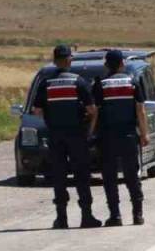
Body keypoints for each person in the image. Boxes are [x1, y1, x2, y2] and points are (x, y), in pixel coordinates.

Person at [31, 44, 102, 229]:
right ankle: (87, 217)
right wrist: (88, 127)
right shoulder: (78, 82)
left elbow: (37, 111)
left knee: (59, 176)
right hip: (76, 135)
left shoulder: (45, 83)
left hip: (55, 135)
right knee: (82, 176)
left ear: (54, 60)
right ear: (69, 59)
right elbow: (92, 109)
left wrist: (51, 114)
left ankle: (61, 218)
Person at [93, 50, 150, 226]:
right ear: (122, 64)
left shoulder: (100, 85)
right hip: (128, 136)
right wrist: (144, 134)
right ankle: (138, 214)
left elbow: (95, 112)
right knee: (132, 176)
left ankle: (115, 216)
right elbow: (140, 110)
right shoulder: (132, 83)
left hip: (107, 137)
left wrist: (90, 132)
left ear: (106, 65)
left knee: (109, 178)